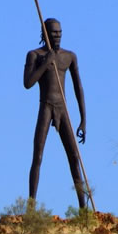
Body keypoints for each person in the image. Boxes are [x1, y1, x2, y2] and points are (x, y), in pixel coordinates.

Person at [23, 18, 87, 208]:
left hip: (63, 107)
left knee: (74, 157)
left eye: (59, 32)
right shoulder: (35, 55)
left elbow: (79, 88)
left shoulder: (70, 56)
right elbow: (27, 83)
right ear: (45, 34)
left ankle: (83, 209)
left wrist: (83, 119)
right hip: (46, 106)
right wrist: (46, 63)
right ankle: (31, 206)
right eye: (53, 33)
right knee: (38, 156)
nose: (57, 36)